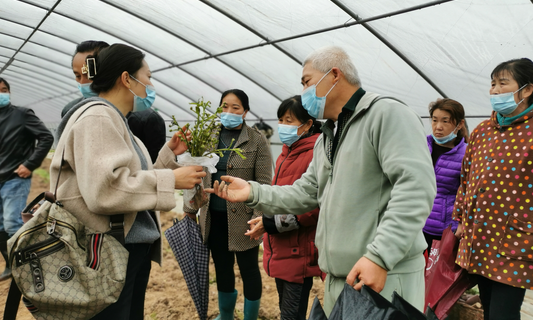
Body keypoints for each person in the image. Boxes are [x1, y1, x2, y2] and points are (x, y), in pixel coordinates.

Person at [207, 46, 436, 316]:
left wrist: (380, 256)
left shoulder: (385, 115)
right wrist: (253, 191)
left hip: (382, 276)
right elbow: (306, 192)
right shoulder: (329, 134)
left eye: (307, 81)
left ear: (334, 75)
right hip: (341, 277)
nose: (304, 92)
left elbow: (415, 188)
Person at [51, 43, 206, 320]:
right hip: (107, 251)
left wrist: (169, 156)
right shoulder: (98, 117)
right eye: (147, 76)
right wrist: (171, 178)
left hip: (124, 247)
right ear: (126, 79)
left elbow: (128, 181)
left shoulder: (116, 119)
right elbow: (106, 190)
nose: (149, 84)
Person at [453, 58, 533, 320]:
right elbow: (465, 179)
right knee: (489, 308)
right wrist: (461, 219)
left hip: (517, 241)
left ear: (527, 89)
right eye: (492, 84)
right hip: (480, 237)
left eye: (503, 83)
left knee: (503, 313)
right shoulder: (484, 130)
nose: (495, 90)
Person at [184, 89, 272, 320]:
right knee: (222, 269)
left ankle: (250, 317)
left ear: (245, 112)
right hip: (213, 216)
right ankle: (226, 316)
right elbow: (195, 172)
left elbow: (263, 183)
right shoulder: (208, 136)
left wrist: (258, 218)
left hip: (244, 218)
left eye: (235, 107)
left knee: (249, 269)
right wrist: (191, 209)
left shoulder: (256, 140)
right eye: (225, 106)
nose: (229, 112)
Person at [245, 95, 323, 320]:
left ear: (308, 124)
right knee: (286, 310)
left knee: (291, 314)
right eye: (281, 120)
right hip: (282, 246)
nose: (283, 126)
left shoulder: (314, 155)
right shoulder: (286, 154)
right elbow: (280, 197)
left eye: (289, 120)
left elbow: (313, 206)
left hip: (299, 249)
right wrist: (266, 221)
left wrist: (270, 223)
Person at [62, 40, 166, 163]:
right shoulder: (78, 113)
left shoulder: (145, 119)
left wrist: (167, 157)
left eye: (90, 73)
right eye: (78, 76)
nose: (84, 82)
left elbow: (148, 169)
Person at [0, 77, 54, 281]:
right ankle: (12, 265)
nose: (2, 94)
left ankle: (31, 266)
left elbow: (46, 137)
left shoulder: (21, 114)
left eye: (4, 90)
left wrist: (29, 164)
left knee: (12, 224)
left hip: (15, 178)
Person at [423, 99, 468, 254]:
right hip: (415, 223)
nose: (438, 127)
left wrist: (459, 224)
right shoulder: (420, 145)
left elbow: (468, 192)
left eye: (445, 121)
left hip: (444, 229)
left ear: (459, 124)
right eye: (434, 120)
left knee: (437, 275)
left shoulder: (467, 154)